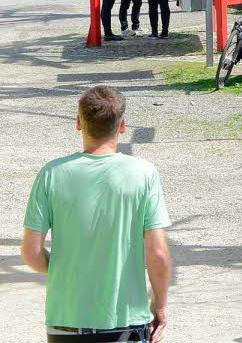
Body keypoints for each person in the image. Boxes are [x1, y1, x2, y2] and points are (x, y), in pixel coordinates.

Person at [21, 86, 172, 343]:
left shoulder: (52, 174)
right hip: (125, 322)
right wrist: (160, 305)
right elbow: (158, 254)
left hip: (65, 322)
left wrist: (65, 269)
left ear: (79, 123)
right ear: (122, 125)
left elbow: (31, 253)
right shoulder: (144, 174)